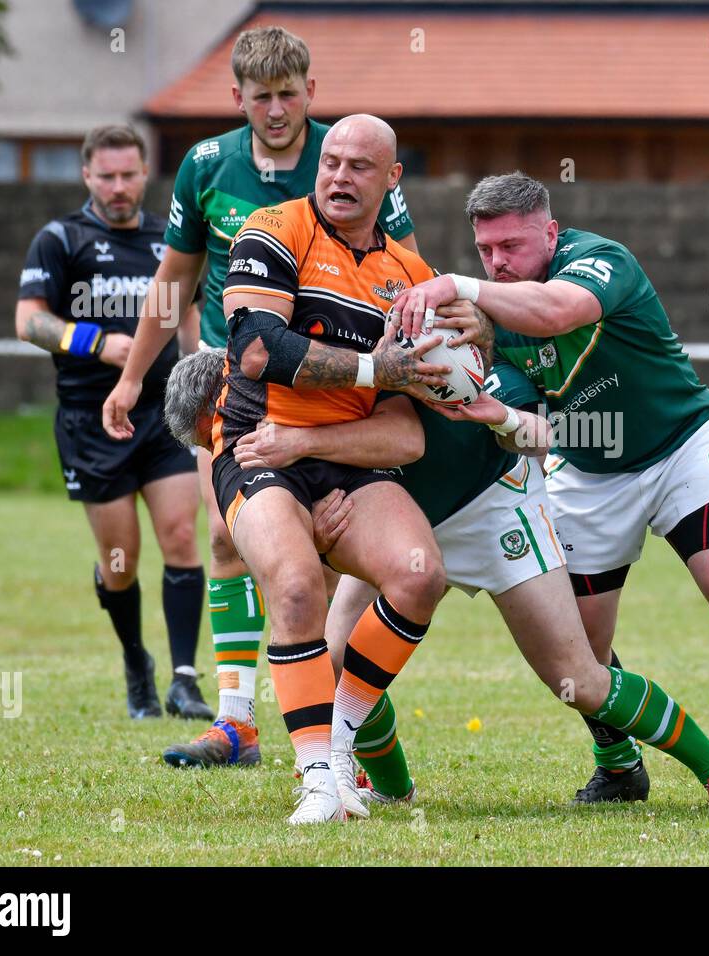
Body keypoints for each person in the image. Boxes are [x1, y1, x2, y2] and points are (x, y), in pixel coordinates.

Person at [388, 173, 709, 808]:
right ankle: (619, 765)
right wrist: (496, 416)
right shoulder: (492, 324)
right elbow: (539, 431)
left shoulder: (600, 260)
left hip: (680, 444)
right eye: (485, 251)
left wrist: (458, 285)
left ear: (550, 231)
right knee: (583, 652)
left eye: (511, 246)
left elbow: (560, 311)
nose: (498, 263)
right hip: (590, 474)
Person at [101, 26, 421, 760]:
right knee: (223, 534)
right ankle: (237, 718)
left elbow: (396, 275)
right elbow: (174, 280)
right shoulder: (205, 165)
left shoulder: (347, 156)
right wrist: (130, 377)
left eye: (288, 94)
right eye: (260, 96)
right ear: (236, 97)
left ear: (311, 91)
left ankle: (349, 719)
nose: (275, 110)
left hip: (335, 376)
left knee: (337, 551)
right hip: (234, 373)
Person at [228, 375, 709, 813]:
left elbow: (543, 436)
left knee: (578, 678)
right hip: (394, 513)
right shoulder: (309, 358)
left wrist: (498, 413)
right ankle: (387, 784)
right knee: (338, 658)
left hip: (492, 506)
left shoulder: (459, 323)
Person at [205, 114, 452, 824]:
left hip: (331, 456)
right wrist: (380, 367)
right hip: (256, 447)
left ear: (392, 179)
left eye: (360, 167)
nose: (340, 177)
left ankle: (340, 747)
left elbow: (407, 433)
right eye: (332, 162)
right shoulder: (273, 228)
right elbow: (257, 348)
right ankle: (316, 782)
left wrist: (470, 345)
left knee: (419, 575)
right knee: (294, 584)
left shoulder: (410, 277)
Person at [16, 124, 210, 720]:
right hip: (89, 421)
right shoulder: (60, 239)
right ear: (86, 176)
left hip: (163, 416)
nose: (120, 187)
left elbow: (189, 314)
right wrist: (100, 344)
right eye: (108, 176)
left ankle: (184, 679)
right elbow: (28, 321)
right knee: (120, 562)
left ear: (144, 172)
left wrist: (201, 377)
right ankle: (136, 663)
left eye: (130, 175)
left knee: (181, 535)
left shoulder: (167, 240)